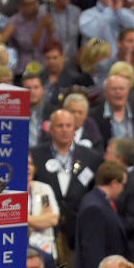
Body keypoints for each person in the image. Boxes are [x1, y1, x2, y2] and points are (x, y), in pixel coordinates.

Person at [30, 109, 104, 254]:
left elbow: (97, 192)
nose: (64, 130)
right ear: (50, 129)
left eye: (68, 126)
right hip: (43, 231)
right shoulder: (34, 155)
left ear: (75, 130)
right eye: (60, 126)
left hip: (79, 230)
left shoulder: (91, 157)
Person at [72, 159, 129, 268]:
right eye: (123, 184)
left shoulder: (98, 200)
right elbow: (93, 255)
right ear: (114, 183)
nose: (123, 190)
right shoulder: (95, 208)